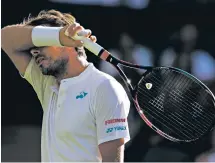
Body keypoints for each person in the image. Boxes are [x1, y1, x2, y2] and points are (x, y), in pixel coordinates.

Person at [1, 9, 131, 162]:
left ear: (67, 43)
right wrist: (58, 35)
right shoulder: (46, 83)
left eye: (40, 43)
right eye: (32, 47)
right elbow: (5, 38)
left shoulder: (105, 88)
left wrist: (60, 36)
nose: (34, 51)